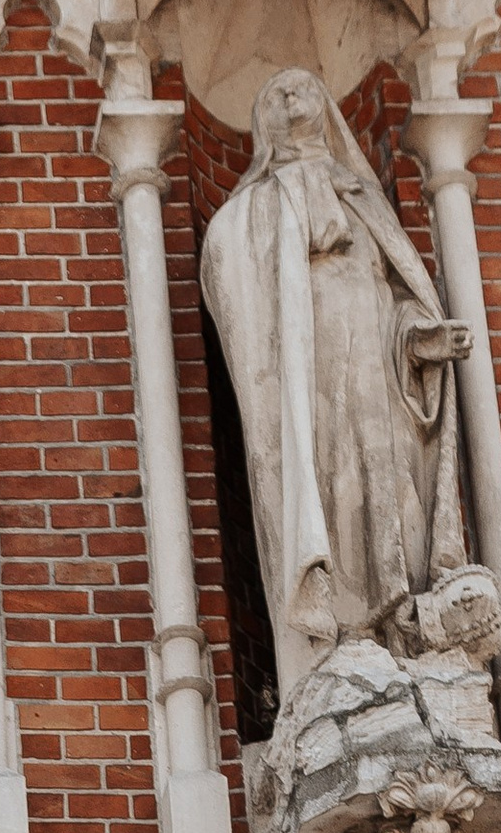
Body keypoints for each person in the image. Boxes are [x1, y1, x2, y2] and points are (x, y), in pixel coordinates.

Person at [198, 67, 473, 703]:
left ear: (329, 108)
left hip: (377, 366)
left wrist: (419, 341)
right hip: (308, 371)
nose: (293, 97)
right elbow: (230, 278)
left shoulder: (360, 194)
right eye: (277, 93)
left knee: (390, 477)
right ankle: (342, 640)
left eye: (303, 87)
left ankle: (404, 629)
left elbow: (397, 295)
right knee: (325, 483)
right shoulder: (252, 208)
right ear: (263, 123)